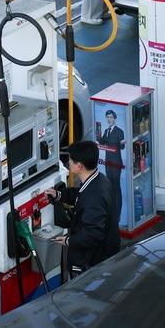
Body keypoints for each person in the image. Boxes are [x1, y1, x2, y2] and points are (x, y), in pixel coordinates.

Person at [51, 140, 121, 279]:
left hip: (91, 263)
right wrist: (60, 195)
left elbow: (92, 234)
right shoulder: (100, 180)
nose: (68, 163)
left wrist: (68, 240)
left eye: (70, 160)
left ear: (79, 166)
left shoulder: (93, 198)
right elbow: (80, 194)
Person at [96, 109, 125, 202]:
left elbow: (122, 146)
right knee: (110, 183)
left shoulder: (119, 131)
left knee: (116, 184)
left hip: (116, 163)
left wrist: (122, 143)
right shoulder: (106, 131)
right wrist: (97, 140)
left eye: (111, 117)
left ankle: (118, 204)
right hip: (107, 162)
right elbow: (102, 141)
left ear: (115, 119)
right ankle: (112, 203)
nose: (109, 119)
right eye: (107, 117)